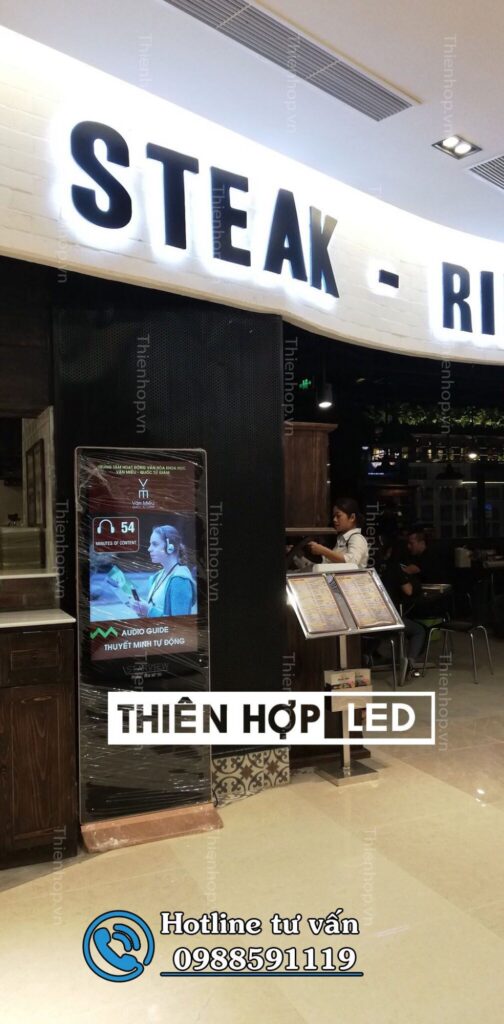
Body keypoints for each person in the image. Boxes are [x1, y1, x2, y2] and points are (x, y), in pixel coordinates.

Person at [378, 535, 425, 671]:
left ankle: (367, 655)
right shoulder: (395, 568)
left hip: (371, 617)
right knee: (419, 630)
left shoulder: (377, 566)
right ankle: (409, 663)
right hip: (389, 618)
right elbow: (408, 590)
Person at [129, 525, 196, 617]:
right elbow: (153, 611)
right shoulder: (157, 576)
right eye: (150, 544)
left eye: (155, 544)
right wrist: (141, 610)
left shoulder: (180, 580)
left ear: (170, 547)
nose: (149, 549)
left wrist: (149, 611)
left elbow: (180, 623)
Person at [307, 498, 368, 568]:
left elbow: (352, 562)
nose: (334, 519)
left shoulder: (357, 538)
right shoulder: (341, 538)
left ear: (352, 517)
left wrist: (323, 551)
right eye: (334, 516)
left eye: (338, 516)